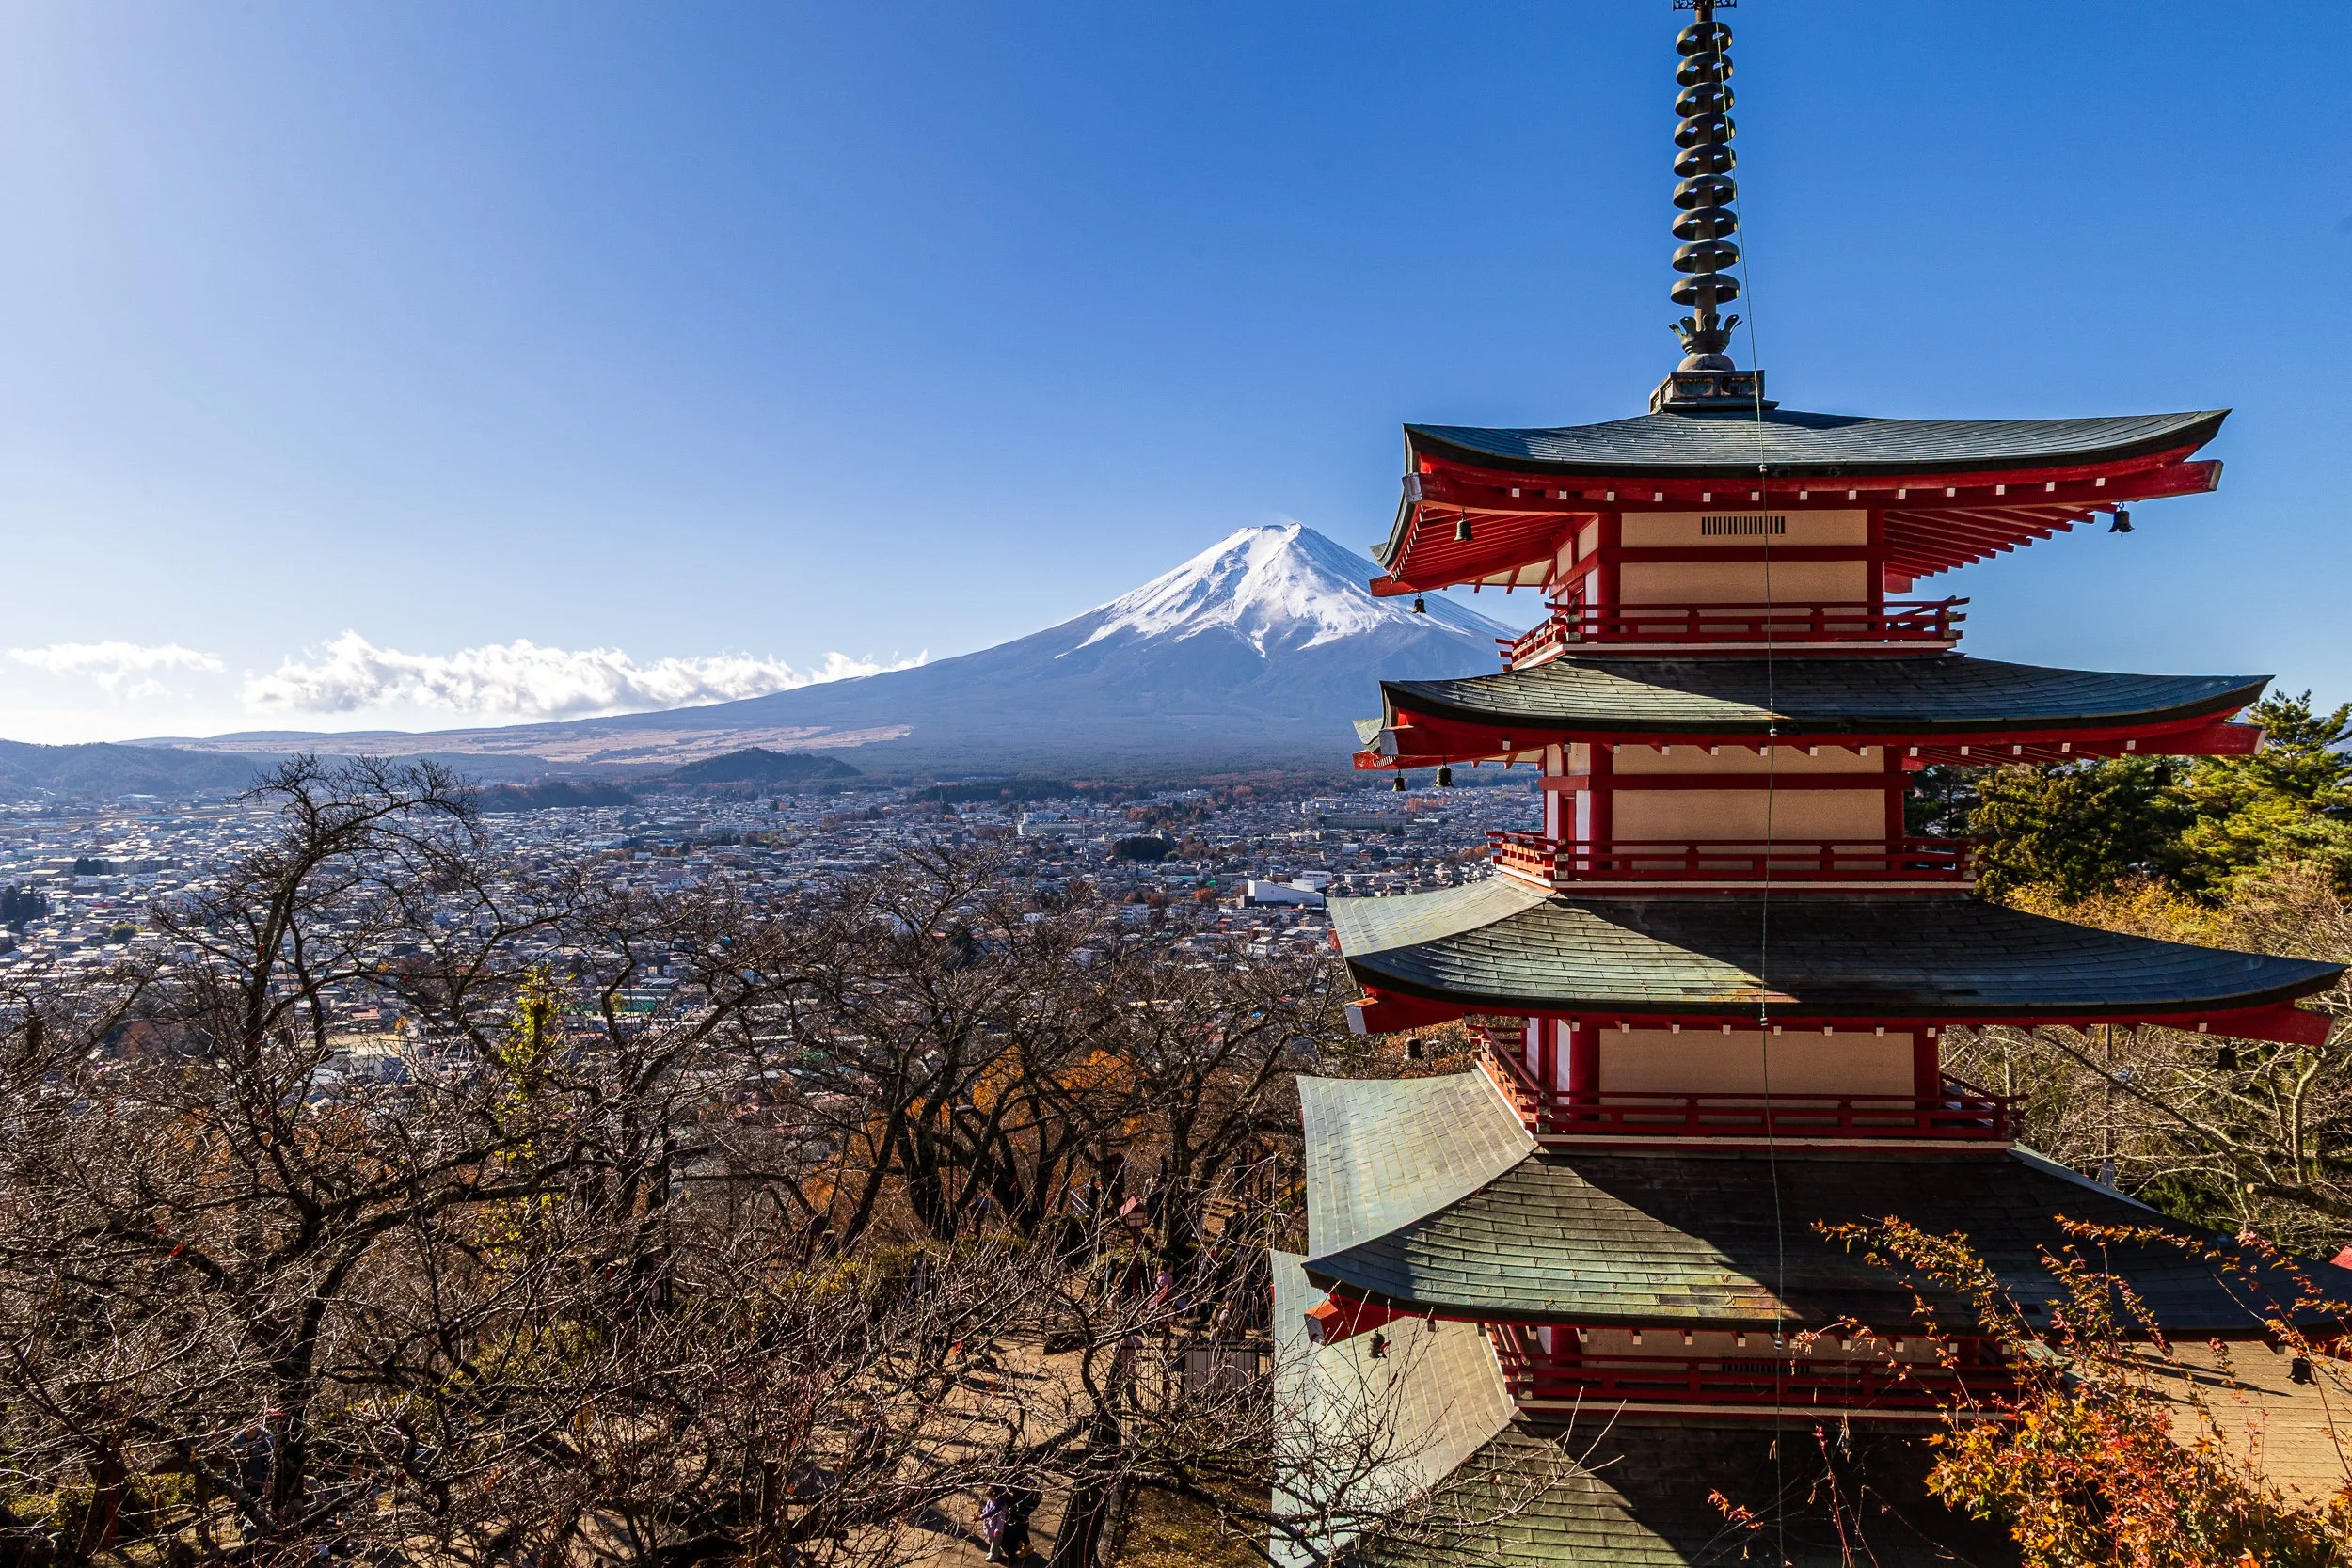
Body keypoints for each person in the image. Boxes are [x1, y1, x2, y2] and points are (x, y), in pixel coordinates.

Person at [979, 1486, 1009, 1561]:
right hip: (990, 1527)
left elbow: (1001, 1520)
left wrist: (998, 1529)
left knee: (995, 1543)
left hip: (996, 1530)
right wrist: (982, 1512)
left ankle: (994, 1555)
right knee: (991, 1541)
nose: (990, 1499)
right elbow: (987, 1510)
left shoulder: (1001, 1507)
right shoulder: (990, 1502)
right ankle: (995, 1552)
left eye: (991, 1498)